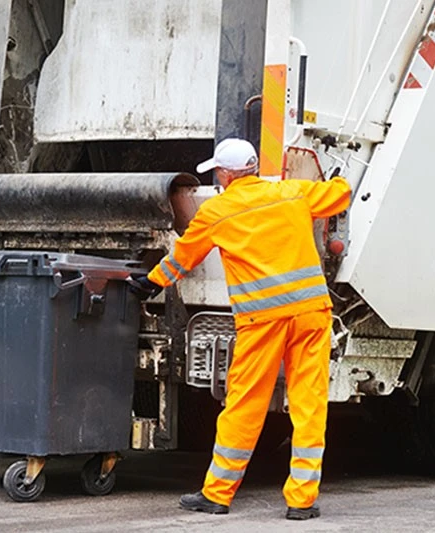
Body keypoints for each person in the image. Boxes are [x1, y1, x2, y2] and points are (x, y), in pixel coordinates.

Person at [128, 138, 351, 520]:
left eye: (218, 171)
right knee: (309, 405)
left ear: (227, 174)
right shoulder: (292, 192)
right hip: (311, 315)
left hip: (262, 322)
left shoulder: (218, 211)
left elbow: (182, 258)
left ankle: (217, 494)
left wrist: (149, 283)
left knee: (245, 405)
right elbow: (340, 196)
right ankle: (301, 501)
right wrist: (338, 176)